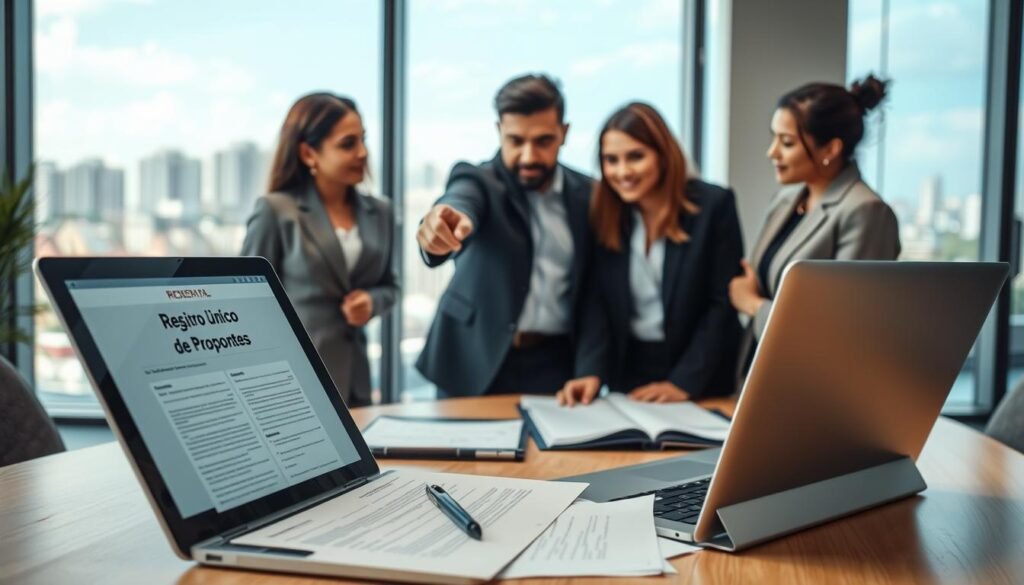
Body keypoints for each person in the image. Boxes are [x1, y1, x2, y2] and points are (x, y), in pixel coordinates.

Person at [415, 74, 594, 397]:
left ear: (563, 134)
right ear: (499, 132)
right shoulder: (478, 180)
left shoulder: (590, 195)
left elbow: (597, 292)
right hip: (474, 355)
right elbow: (461, 199)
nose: (528, 156)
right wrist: (446, 222)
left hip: (556, 364)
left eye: (543, 141)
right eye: (515, 141)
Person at [557, 102, 744, 406]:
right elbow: (596, 301)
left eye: (636, 157)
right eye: (611, 160)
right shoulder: (604, 213)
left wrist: (683, 382)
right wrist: (590, 370)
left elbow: (721, 305)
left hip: (699, 375)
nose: (623, 172)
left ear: (663, 156)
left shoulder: (713, 206)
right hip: (628, 374)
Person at [729, 74, 900, 381]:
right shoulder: (787, 199)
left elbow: (842, 332)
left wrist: (753, 305)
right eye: (774, 138)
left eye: (787, 142)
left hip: (815, 388)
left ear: (830, 149)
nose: (772, 153)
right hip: (762, 378)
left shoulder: (865, 212)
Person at [241, 93, 398, 407]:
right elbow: (247, 302)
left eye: (363, 140)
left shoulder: (381, 212)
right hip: (293, 378)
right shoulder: (277, 211)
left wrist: (372, 301)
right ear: (309, 153)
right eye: (347, 144)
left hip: (358, 378)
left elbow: (392, 286)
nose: (363, 153)